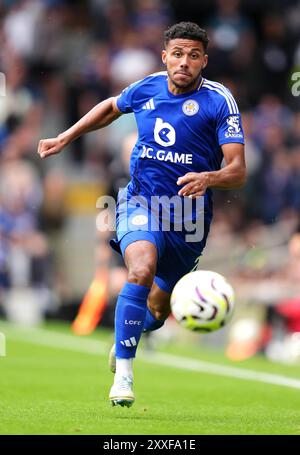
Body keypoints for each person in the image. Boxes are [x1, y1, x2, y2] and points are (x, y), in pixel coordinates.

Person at [38, 22, 246, 408]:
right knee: (140, 269)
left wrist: (209, 177)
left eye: (194, 55)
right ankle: (125, 375)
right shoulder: (147, 87)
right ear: (165, 55)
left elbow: (237, 171)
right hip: (141, 203)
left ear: (204, 60)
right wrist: (66, 137)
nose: (185, 62)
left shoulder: (220, 101)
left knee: (157, 309)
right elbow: (111, 108)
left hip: (188, 221)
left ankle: (127, 337)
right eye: (178, 54)